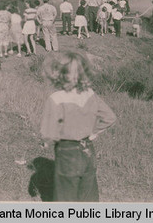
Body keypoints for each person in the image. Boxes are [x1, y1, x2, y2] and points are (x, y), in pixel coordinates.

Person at [40, 51, 116, 201]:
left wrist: (45, 142)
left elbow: (49, 134)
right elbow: (110, 117)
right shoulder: (90, 94)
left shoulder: (56, 99)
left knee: (65, 195)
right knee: (88, 195)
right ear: (83, 73)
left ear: (59, 73)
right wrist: (94, 132)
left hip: (67, 151)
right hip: (88, 150)